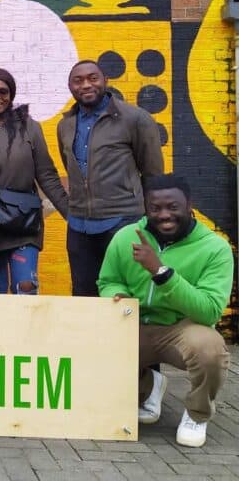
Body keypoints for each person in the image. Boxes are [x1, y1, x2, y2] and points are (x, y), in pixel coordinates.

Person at [98, 174, 232, 448]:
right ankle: (148, 386)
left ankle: (197, 414)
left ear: (189, 205)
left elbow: (209, 311)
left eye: (173, 207)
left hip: (182, 328)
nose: (164, 215)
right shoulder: (126, 237)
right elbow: (108, 281)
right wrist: (117, 296)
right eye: (155, 208)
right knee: (84, 338)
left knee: (211, 350)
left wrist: (161, 272)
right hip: (135, 324)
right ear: (145, 208)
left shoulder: (215, 248)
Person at [57, 60, 163, 296]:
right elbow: (73, 169)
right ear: (70, 86)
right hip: (79, 226)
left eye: (93, 78)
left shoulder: (135, 119)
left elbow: (153, 174)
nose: (86, 85)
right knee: (84, 294)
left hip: (123, 220)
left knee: (126, 293)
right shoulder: (65, 125)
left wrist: (151, 219)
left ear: (105, 81)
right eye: (78, 80)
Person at [0, 68, 68, 294]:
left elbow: (46, 173)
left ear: (11, 95)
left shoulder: (29, 127)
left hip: (23, 223)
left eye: (3, 91)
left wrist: (70, 213)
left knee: (25, 288)